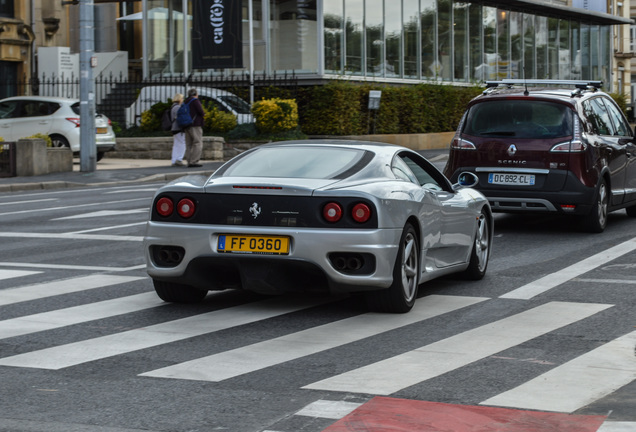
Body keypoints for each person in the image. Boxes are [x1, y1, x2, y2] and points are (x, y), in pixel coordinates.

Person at [183, 88, 205, 168]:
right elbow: (201, 112)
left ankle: (189, 161)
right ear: (196, 94)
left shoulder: (186, 101)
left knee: (188, 144)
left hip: (187, 125)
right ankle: (194, 161)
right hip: (195, 124)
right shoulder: (195, 101)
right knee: (197, 143)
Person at [170, 93, 186, 167]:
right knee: (182, 143)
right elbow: (179, 118)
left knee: (176, 144)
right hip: (178, 128)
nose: (183, 100)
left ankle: (174, 160)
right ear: (179, 99)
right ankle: (179, 159)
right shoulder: (177, 107)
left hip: (174, 128)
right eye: (182, 98)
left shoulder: (173, 106)